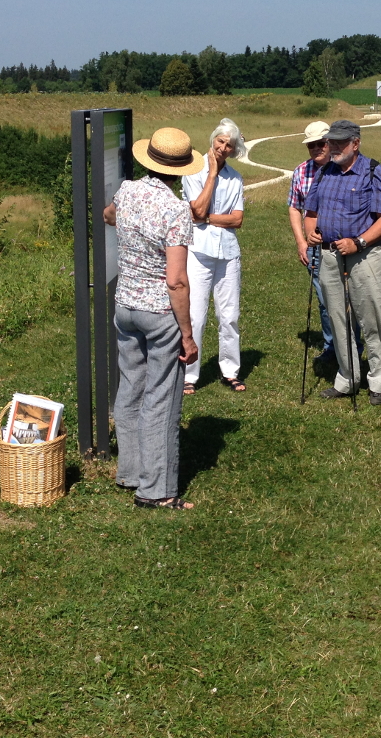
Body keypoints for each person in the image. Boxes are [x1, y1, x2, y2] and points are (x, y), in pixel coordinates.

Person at [103, 127, 203, 510]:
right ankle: (156, 491)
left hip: (125, 306)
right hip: (159, 314)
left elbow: (109, 215)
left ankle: (129, 472)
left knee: (130, 390)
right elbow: (176, 281)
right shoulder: (176, 210)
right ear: (179, 171)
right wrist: (188, 335)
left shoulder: (127, 191)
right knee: (161, 400)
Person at [304, 120, 381, 405]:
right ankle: (348, 377)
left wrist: (359, 242)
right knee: (337, 317)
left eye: (340, 143)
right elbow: (311, 210)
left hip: (365, 255)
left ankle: (379, 382)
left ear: (356, 143)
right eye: (331, 142)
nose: (333, 148)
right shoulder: (324, 173)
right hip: (330, 255)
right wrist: (310, 232)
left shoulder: (373, 172)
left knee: (371, 317)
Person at [182, 118, 246, 394]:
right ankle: (189, 374)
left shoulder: (235, 178)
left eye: (229, 145)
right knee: (195, 315)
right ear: (212, 141)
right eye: (220, 141)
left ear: (233, 150)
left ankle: (230, 370)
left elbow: (237, 220)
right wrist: (211, 175)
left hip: (228, 252)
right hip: (198, 251)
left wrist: (208, 217)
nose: (222, 148)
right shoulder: (193, 174)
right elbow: (195, 211)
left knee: (229, 314)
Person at [288, 121, 337, 369]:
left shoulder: (342, 167)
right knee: (324, 299)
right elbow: (295, 207)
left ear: (330, 143)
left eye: (321, 143)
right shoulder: (301, 171)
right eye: (311, 145)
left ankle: (351, 347)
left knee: (348, 301)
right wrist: (300, 241)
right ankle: (331, 347)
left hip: (341, 246)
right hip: (314, 249)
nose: (316, 149)